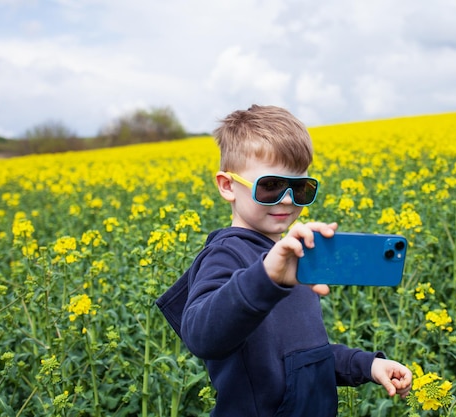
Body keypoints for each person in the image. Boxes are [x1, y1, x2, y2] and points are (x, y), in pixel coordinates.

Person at [156, 105, 412, 417]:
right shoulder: (226, 253)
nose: (288, 199)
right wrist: (266, 277)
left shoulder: (295, 256)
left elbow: (303, 359)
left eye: (300, 188)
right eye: (270, 186)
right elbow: (201, 336)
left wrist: (367, 365)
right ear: (227, 186)